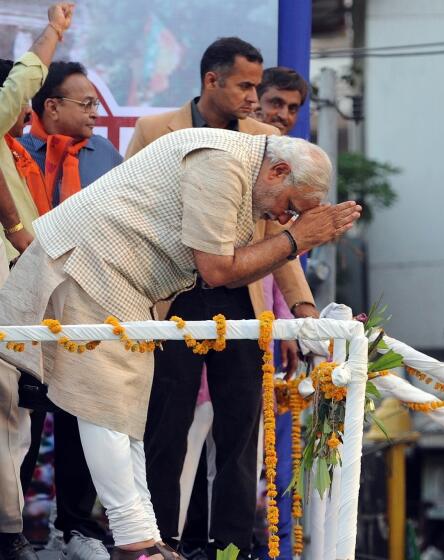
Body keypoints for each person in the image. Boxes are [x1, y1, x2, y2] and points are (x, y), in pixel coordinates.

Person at [0, 127, 362, 560]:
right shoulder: (222, 163)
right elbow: (216, 270)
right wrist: (298, 239)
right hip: (88, 265)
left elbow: (249, 263)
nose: (284, 219)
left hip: (120, 283)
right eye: (290, 208)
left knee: (126, 411)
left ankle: (145, 535)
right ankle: (135, 541)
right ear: (279, 171)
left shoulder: (249, 171)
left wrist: (297, 265)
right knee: (106, 405)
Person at [126, 37, 317, 560]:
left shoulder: (262, 140)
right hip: (172, 297)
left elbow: (282, 233)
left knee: (239, 430)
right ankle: (159, 541)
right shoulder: (153, 131)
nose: (256, 98)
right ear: (212, 81)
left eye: (259, 86)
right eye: (247, 86)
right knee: (167, 426)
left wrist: (302, 307)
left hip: (240, 297)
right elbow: (132, 212)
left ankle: (230, 546)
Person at [14, 60, 123, 560]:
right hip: (25, 305)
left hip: (86, 306)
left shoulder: (109, 158)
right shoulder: (15, 153)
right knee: (21, 420)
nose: (96, 114)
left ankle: (78, 528)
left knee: (81, 416)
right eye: (86, 103)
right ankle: (11, 528)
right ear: (50, 106)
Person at [0, 5, 74, 560]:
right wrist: (53, 32)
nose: (26, 109)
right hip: (6, 290)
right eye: (20, 100)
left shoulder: (13, 154)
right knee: (7, 413)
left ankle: (11, 530)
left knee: (16, 419)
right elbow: (28, 74)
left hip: (23, 295)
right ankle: (7, 533)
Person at [256, 66, 308, 136]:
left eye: (292, 109)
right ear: (254, 101)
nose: (284, 116)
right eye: (276, 104)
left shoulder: (301, 146)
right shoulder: (237, 143)